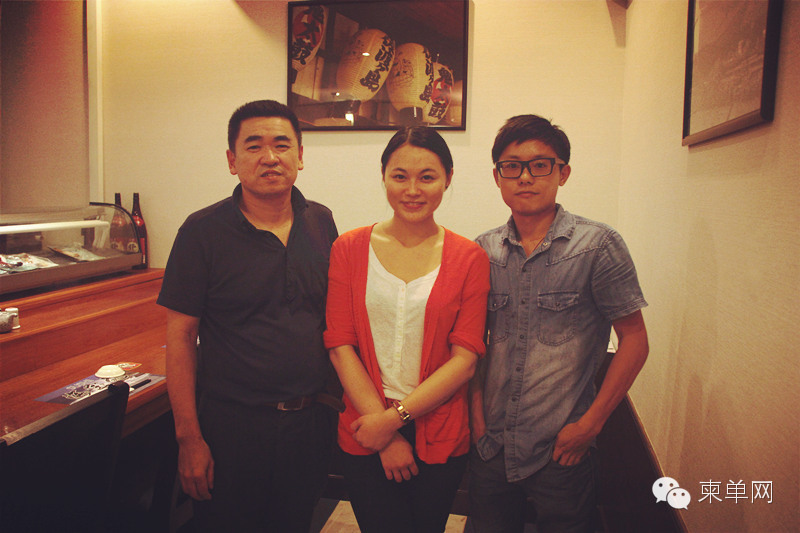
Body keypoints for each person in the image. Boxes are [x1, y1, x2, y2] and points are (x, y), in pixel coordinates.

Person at [157, 100, 341, 533]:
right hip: (231, 429)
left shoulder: (321, 221)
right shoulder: (201, 232)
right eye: (254, 146)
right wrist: (189, 439)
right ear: (232, 161)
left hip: (308, 425)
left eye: (282, 145)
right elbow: (180, 337)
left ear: (300, 155)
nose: (270, 157)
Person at [469, 115, 649, 533]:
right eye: (512, 166)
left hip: (562, 447)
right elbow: (472, 344)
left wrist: (591, 424)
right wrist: (476, 418)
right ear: (497, 177)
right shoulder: (483, 250)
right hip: (492, 443)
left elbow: (635, 340)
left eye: (540, 165)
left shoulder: (597, 245)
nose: (525, 176)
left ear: (562, 173)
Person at [324, 127, 490, 533]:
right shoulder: (348, 248)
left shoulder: (470, 257)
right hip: (365, 423)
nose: (413, 190)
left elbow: (465, 360)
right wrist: (382, 429)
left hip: (440, 429)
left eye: (427, 177)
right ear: (383, 176)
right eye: (400, 176)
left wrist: (394, 420)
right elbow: (340, 345)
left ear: (448, 179)